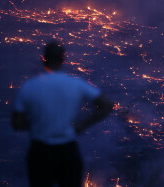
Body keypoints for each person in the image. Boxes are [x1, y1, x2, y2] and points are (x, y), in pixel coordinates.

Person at [11, 41, 113, 187]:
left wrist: (38, 123)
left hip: (40, 152)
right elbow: (107, 105)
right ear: (63, 60)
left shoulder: (29, 86)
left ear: (43, 58)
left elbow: (16, 123)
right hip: (67, 151)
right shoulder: (76, 84)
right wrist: (81, 126)